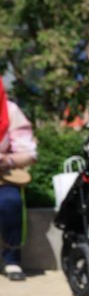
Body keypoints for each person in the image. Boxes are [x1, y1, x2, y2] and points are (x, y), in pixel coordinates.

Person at [0, 80, 37, 282]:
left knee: (10, 202)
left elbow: (29, 154)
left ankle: (12, 259)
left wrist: (7, 160)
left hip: (3, 176)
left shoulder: (10, 110)